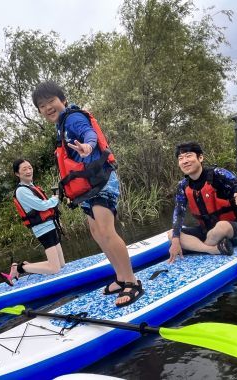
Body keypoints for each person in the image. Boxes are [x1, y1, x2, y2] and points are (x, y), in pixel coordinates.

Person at [31, 81, 144, 307]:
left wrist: (89, 146)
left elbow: (88, 133)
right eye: (42, 105)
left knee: (106, 230)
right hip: (88, 186)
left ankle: (133, 282)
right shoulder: (60, 126)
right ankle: (121, 277)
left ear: (62, 100)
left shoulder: (72, 118)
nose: (48, 107)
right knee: (96, 232)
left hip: (101, 180)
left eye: (51, 101)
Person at [167, 142, 237, 263]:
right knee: (172, 234)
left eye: (188, 156)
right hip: (206, 230)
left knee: (221, 227)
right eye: (180, 158)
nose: (185, 161)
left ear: (200, 158)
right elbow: (179, 213)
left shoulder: (218, 174)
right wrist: (175, 240)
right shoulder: (183, 186)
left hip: (236, 229)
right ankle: (212, 249)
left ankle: (199, 248)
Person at [0, 159, 65, 286]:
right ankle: (19, 268)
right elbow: (40, 206)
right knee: (55, 269)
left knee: (61, 264)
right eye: (24, 169)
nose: (29, 171)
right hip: (43, 230)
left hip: (50, 226)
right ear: (17, 174)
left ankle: (28, 266)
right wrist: (54, 200)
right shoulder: (21, 191)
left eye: (30, 168)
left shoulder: (31, 187)